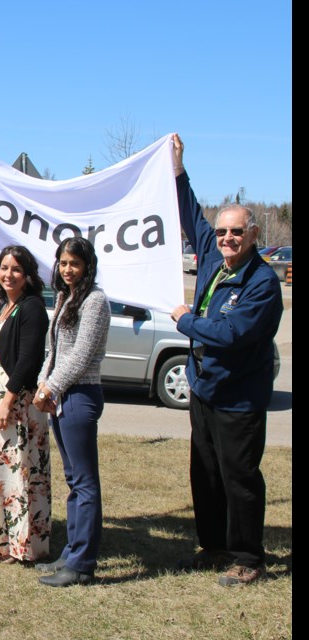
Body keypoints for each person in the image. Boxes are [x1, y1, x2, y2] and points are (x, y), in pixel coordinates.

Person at [169, 134, 283, 586]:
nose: (228, 238)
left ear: (254, 234)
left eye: (237, 231)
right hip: (205, 392)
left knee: (240, 479)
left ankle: (248, 558)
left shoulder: (262, 284)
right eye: (222, 232)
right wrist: (178, 171)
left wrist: (185, 321)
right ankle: (213, 545)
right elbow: (190, 214)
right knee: (206, 475)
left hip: (239, 399)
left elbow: (232, 334)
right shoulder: (216, 260)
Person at [33, 237, 110, 587]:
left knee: (85, 482)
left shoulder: (95, 301)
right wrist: (41, 384)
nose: (67, 269)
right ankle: (72, 552)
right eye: (63, 263)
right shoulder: (66, 297)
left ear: (87, 265)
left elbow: (81, 355)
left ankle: (82, 565)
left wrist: (52, 387)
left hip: (80, 395)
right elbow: (54, 350)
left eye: (74, 263)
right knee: (73, 481)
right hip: (61, 393)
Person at [0, 246, 50, 564]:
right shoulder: (5, 306)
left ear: (28, 275)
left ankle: (25, 546)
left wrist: (7, 401)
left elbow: (28, 359)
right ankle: (5, 543)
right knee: (4, 472)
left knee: (21, 471)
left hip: (17, 400)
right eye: (4, 267)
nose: (8, 274)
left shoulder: (32, 307)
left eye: (16, 269)